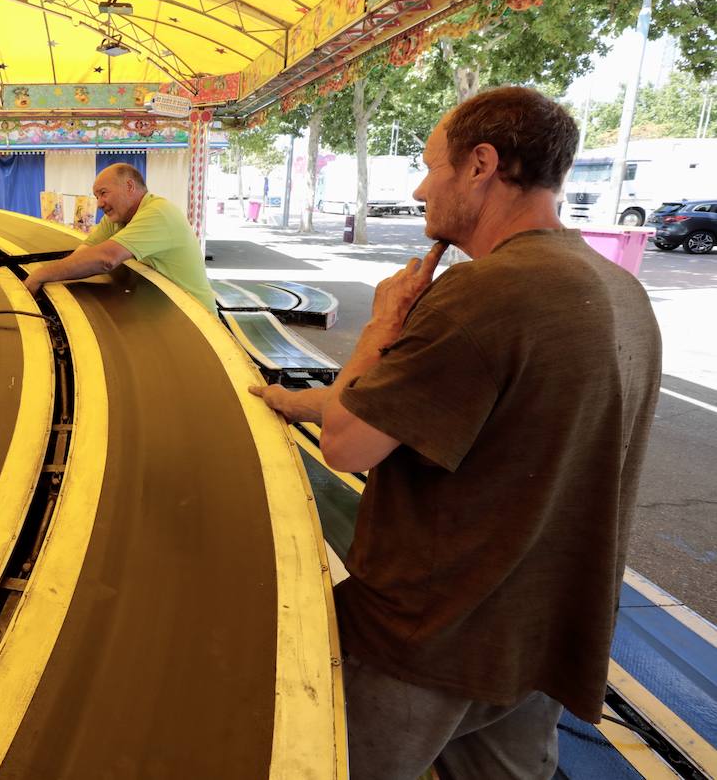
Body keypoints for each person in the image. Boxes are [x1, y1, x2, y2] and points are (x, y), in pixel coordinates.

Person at [253, 86, 661, 779]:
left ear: (480, 164)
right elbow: (482, 417)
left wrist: (381, 330)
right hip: (536, 642)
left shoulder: (482, 293)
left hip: (428, 644)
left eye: (429, 166)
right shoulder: (615, 289)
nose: (419, 189)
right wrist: (305, 402)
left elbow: (351, 446)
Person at [22, 162, 215, 313]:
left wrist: (40, 276)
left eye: (103, 193)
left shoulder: (159, 212)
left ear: (129, 186)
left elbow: (105, 259)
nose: (99, 204)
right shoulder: (117, 218)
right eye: (97, 196)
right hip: (169, 310)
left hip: (199, 322)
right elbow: (83, 255)